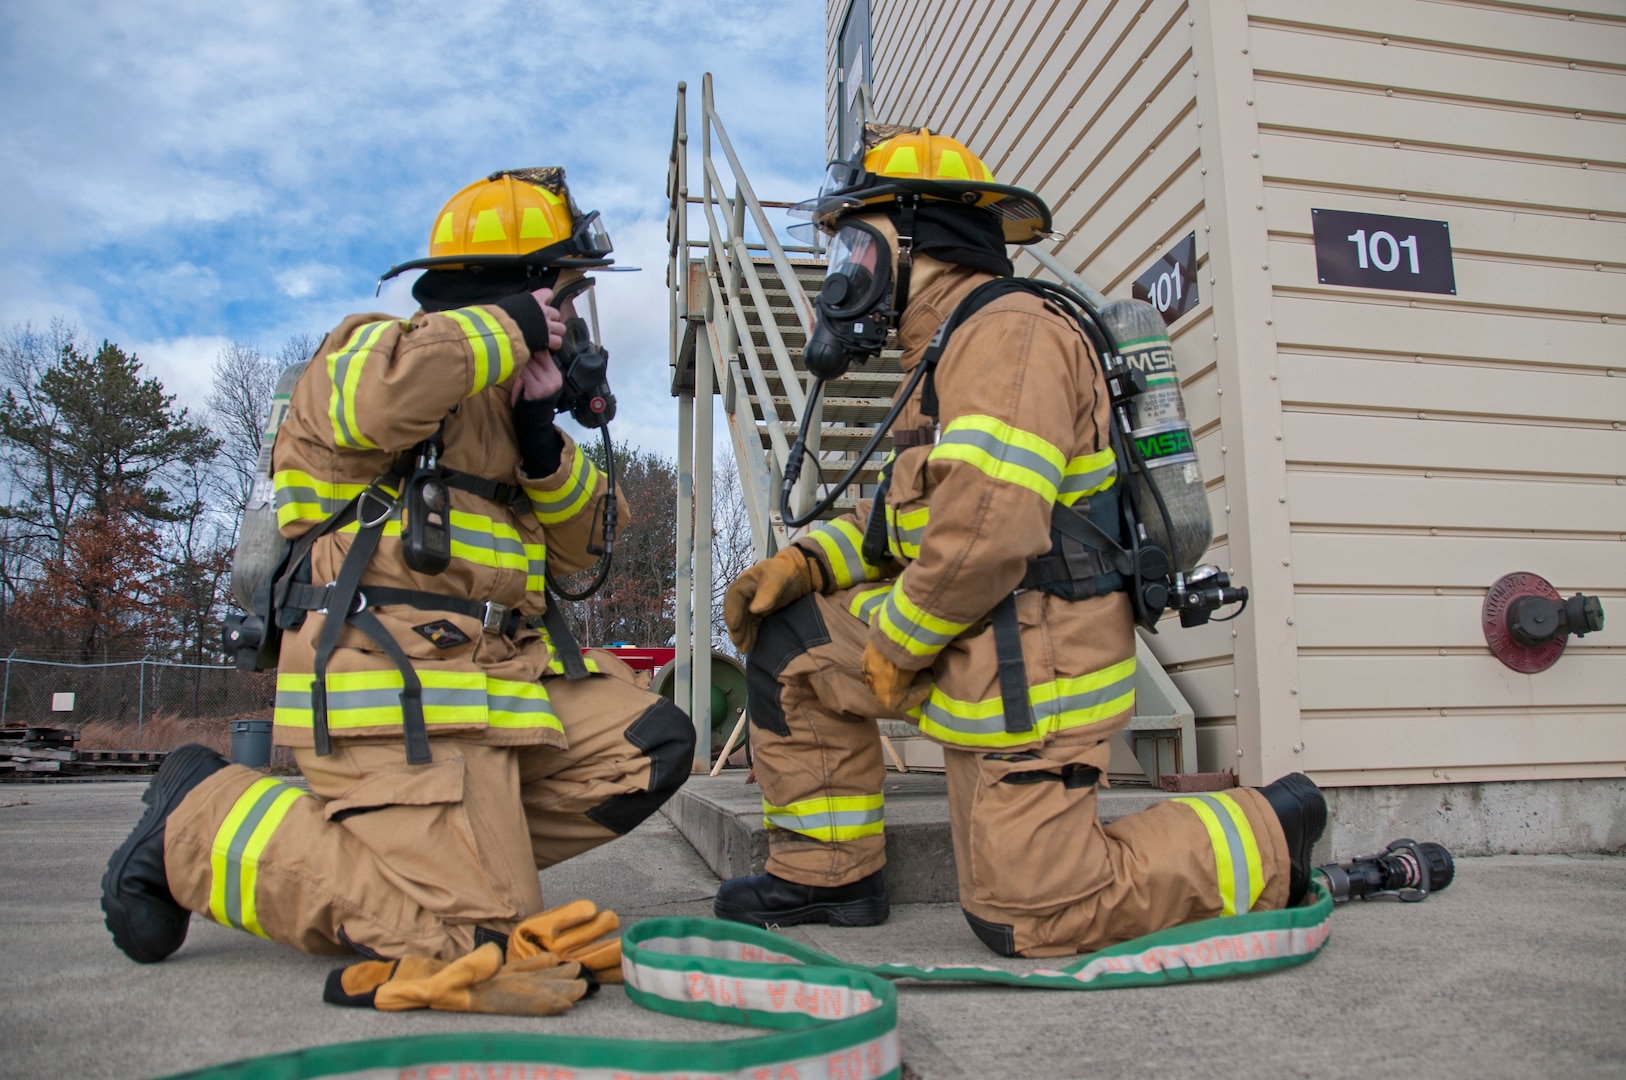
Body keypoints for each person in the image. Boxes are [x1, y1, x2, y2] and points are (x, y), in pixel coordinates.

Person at [714, 128, 1326, 958]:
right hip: (967, 647)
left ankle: (1269, 832)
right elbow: (911, 517)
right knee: (792, 639)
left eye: (861, 244)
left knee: (1031, 919)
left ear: (923, 239)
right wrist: (807, 562)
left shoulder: (1009, 335)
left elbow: (988, 529)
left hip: (1032, 674)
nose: (847, 273)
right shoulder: (943, 352)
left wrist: (894, 642)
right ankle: (829, 874)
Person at [102, 168, 695, 965]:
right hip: (396, 701)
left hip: (496, 693)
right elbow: (382, 396)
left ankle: (446, 849)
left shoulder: (510, 409)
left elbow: (586, 553)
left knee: (650, 742)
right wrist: (512, 328)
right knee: (477, 944)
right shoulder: (371, 352)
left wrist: (541, 442)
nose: (578, 322)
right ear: (520, 293)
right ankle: (199, 821)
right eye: (566, 297)